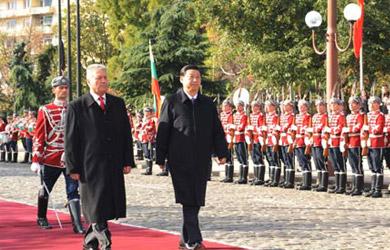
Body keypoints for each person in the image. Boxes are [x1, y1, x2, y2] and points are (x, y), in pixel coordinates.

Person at [156, 65, 228, 250]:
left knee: (196, 197)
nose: (194, 80)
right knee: (187, 197)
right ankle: (194, 240)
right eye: (191, 77)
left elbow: (216, 130)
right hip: (179, 159)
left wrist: (222, 152)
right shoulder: (172, 102)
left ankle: (184, 238)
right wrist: (160, 158)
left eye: (197, 77)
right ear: (182, 79)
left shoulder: (207, 103)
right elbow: (163, 130)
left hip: (201, 159)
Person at [65, 64, 135, 250]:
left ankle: (90, 242)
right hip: (90, 167)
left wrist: (128, 160)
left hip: (113, 164)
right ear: (89, 81)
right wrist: (73, 168)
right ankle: (105, 243)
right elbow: (70, 140)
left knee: (106, 204)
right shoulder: (77, 106)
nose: (104, 80)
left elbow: (125, 134)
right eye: (99, 78)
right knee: (95, 206)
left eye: (105, 77)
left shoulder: (117, 103)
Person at [30, 76, 84, 233]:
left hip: (70, 158)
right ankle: (41, 217)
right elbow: (39, 136)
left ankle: (77, 224)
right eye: (60, 88)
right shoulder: (45, 110)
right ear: (54, 90)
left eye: (66, 87)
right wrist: (36, 159)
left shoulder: (75, 108)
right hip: (51, 158)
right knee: (45, 189)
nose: (64, 90)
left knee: (73, 190)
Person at [363, 96, 385, 198]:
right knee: (371, 166)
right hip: (369, 142)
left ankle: (378, 189)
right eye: (370, 103)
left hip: (377, 142)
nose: (371, 105)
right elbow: (364, 129)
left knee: (377, 166)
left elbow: (378, 129)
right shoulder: (367, 115)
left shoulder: (380, 115)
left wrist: (369, 129)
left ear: (378, 104)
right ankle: (373, 188)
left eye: (373, 103)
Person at [343, 97, 364, 196]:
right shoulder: (348, 116)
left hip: (357, 141)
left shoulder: (361, 115)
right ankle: (354, 186)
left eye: (353, 103)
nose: (351, 105)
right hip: (350, 142)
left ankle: (359, 187)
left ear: (359, 105)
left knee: (357, 165)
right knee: (352, 165)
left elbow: (358, 127)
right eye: (350, 103)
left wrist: (349, 129)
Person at [326, 98, 347, 194]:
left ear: (339, 106)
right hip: (331, 141)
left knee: (340, 163)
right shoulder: (330, 116)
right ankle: (337, 185)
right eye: (331, 105)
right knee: (335, 164)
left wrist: (331, 130)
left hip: (338, 140)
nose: (332, 106)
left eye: (334, 104)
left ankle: (342, 186)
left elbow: (340, 127)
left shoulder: (341, 116)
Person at [309, 100, 329, 192]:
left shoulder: (326, 117)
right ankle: (319, 182)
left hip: (321, 141)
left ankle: (323, 184)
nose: (319, 107)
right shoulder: (314, 117)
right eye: (317, 106)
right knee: (317, 162)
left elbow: (323, 128)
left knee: (322, 162)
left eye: (321, 106)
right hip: (314, 140)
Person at [233, 101, 248, 184]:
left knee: (243, 157)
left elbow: (241, 126)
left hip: (241, 137)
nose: (238, 107)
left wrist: (234, 127)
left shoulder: (244, 115)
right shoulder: (235, 115)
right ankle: (241, 176)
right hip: (235, 137)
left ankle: (244, 177)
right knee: (238, 157)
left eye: (240, 106)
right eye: (237, 106)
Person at [219, 99, 234, 183]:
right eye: (223, 106)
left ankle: (230, 176)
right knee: (225, 155)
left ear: (229, 107)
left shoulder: (231, 115)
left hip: (229, 136)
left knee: (230, 155)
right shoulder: (222, 114)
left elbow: (231, 126)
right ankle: (227, 175)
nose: (224, 107)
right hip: (223, 136)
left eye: (226, 106)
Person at [140, 106, 157, 175]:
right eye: (145, 112)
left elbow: (152, 128)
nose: (146, 114)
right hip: (144, 139)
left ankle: (149, 170)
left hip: (150, 139)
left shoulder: (153, 119)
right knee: (146, 154)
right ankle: (147, 169)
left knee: (149, 154)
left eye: (147, 112)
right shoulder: (145, 120)